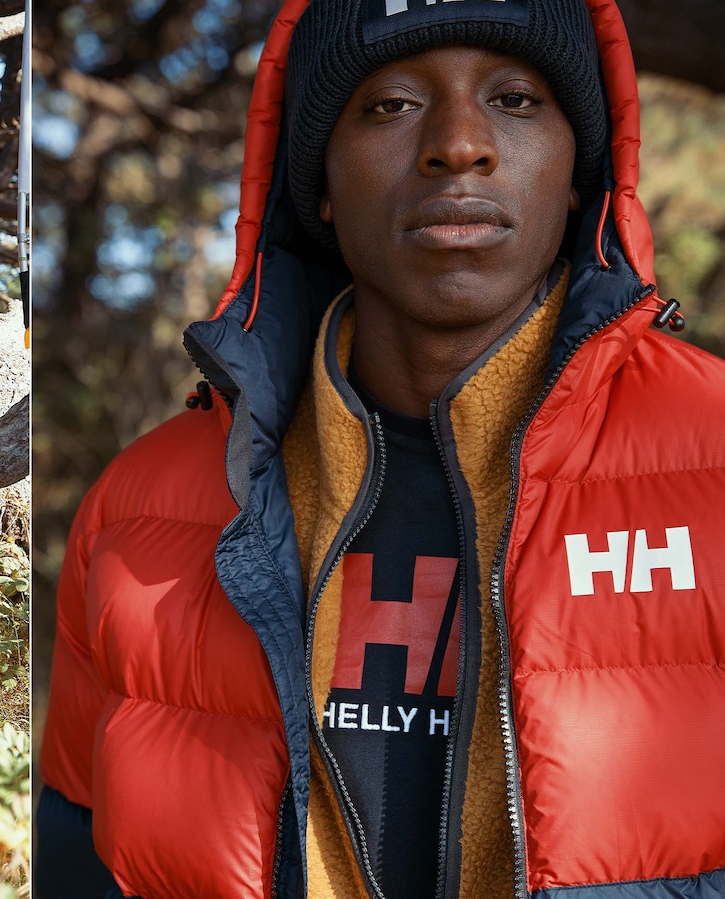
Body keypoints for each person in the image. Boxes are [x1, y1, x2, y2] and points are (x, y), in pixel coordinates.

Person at [38, 1, 725, 897]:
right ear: (318, 181)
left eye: (516, 100)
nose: (459, 143)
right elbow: (76, 855)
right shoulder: (143, 507)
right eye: (391, 105)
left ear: (575, 175)